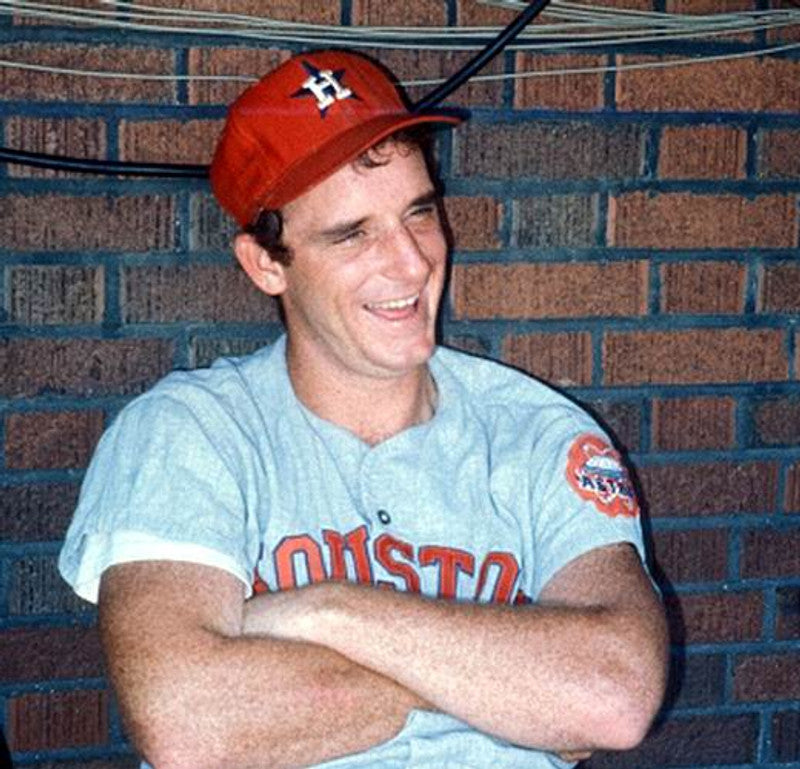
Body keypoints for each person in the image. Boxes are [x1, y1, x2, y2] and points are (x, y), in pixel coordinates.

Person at [59, 50, 668, 769]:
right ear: (266, 264)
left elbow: (615, 695)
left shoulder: (538, 433)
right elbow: (189, 724)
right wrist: (507, 687)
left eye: (420, 212)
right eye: (353, 233)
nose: (412, 262)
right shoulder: (188, 433)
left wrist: (327, 611)